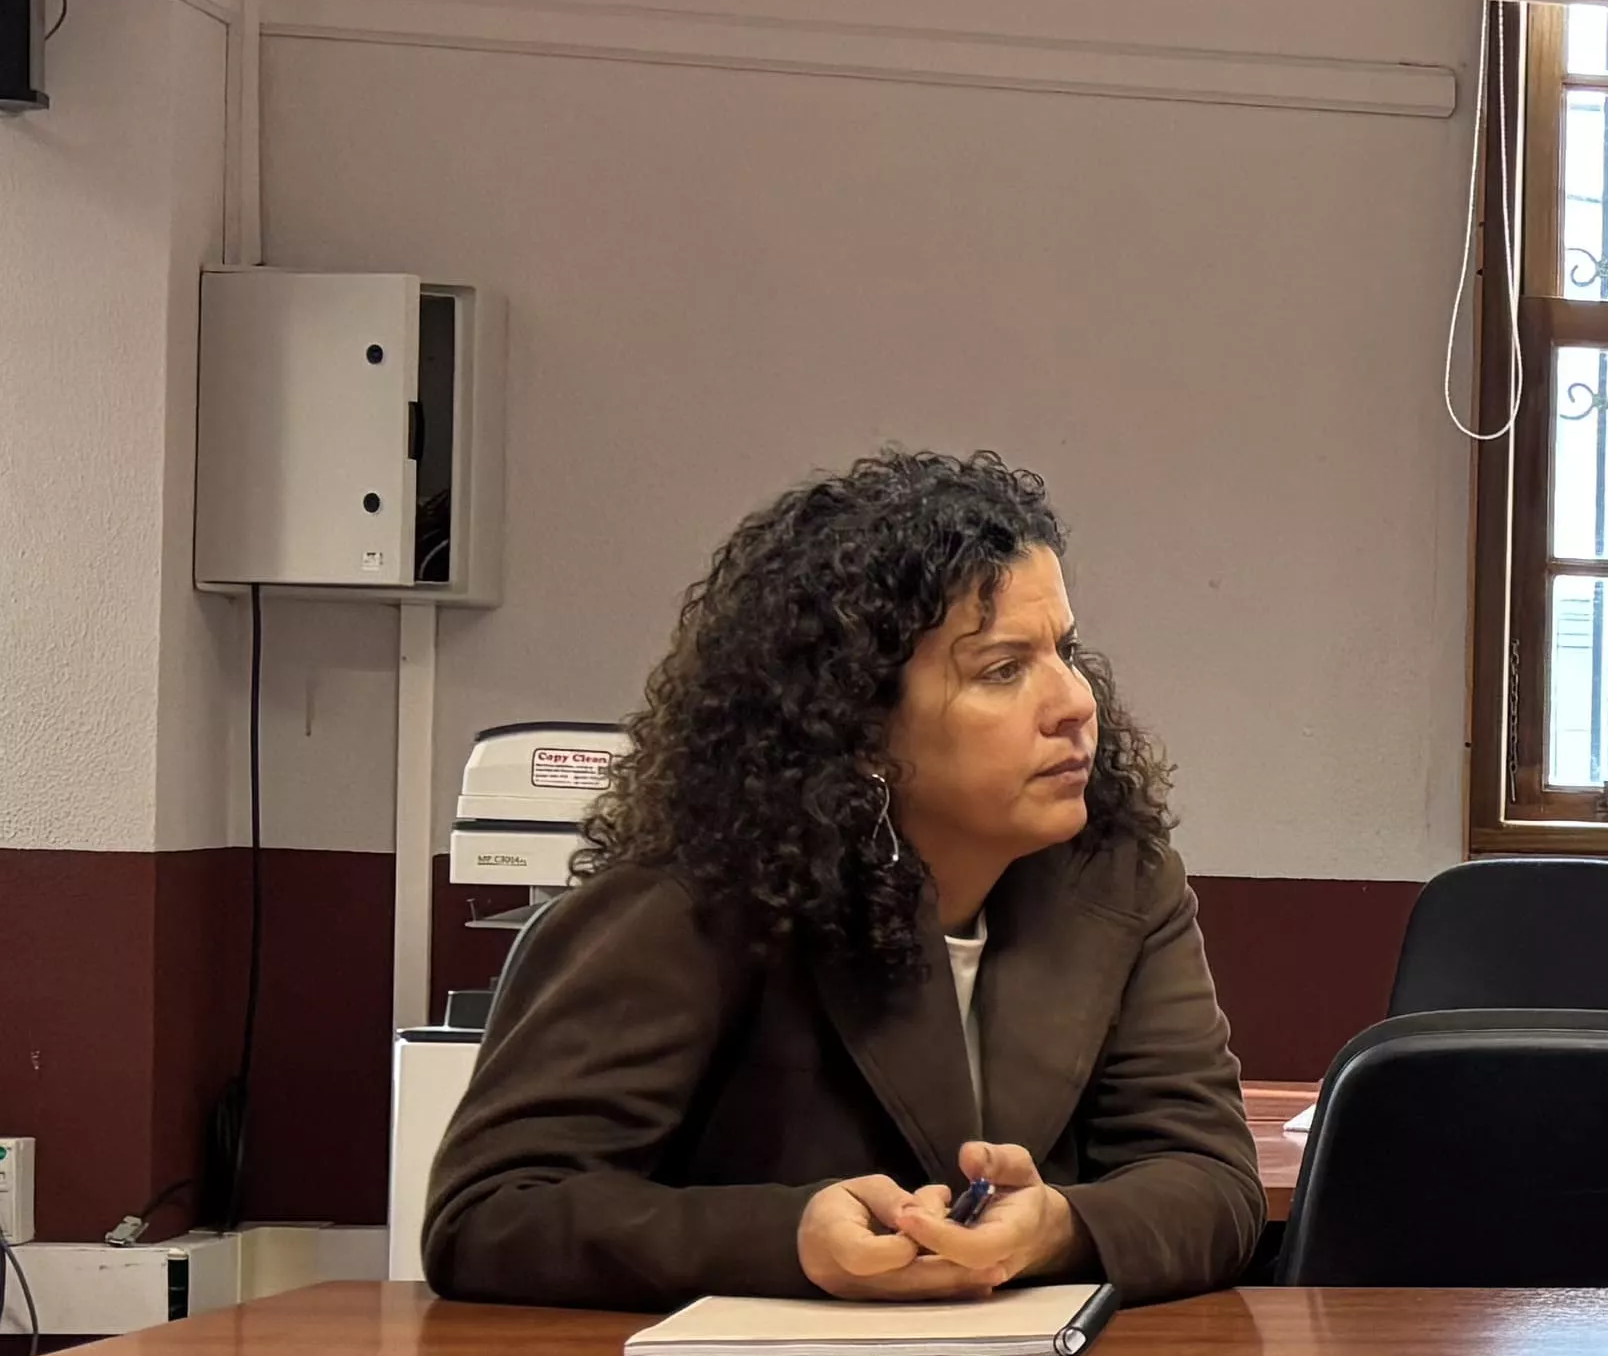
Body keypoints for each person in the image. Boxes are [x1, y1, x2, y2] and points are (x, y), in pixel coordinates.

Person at [424, 448, 1264, 1309]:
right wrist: (790, 1241)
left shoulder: (1120, 882)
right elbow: (493, 1214)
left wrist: (1061, 1229)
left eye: (1065, 652)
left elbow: (1210, 1180)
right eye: (1003, 670)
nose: (1074, 702)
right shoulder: (696, 902)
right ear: (857, 727)